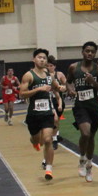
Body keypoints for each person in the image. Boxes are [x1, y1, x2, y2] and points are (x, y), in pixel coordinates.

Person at [66, 41, 98, 182]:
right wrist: (70, 90)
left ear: (95, 54)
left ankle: (89, 165)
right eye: (87, 51)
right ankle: (82, 159)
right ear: (82, 52)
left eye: (92, 51)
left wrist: (94, 82)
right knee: (85, 134)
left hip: (94, 107)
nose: (90, 53)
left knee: (91, 137)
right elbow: (68, 81)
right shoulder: (74, 67)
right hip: (80, 106)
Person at [18, 48, 61, 180]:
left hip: (47, 113)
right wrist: (38, 89)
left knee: (48, 140)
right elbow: (22, 94)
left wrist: (64, 88)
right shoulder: (29, 75)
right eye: (39, 57)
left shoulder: (49, 76)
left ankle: (49, 169)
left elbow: (56, 87)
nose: (42, 60)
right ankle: (34, 141)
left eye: (44, 58)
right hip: (34, 114)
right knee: (38, 140)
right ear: (34, 59)